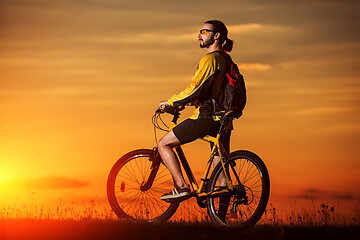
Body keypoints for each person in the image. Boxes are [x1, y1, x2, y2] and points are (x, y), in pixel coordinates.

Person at [158, 20, 234, 201]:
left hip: (207, 116)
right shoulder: (224, 58)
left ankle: (181, 187)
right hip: (223, 118)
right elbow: (209, 90)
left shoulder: (211, 59)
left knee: (164, 144)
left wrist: (171, 102)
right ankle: (222, 221)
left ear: (216, 36)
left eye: (204, 31)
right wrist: (188, 103)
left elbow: (195, 88)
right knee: (222, 177)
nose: (199, 35)